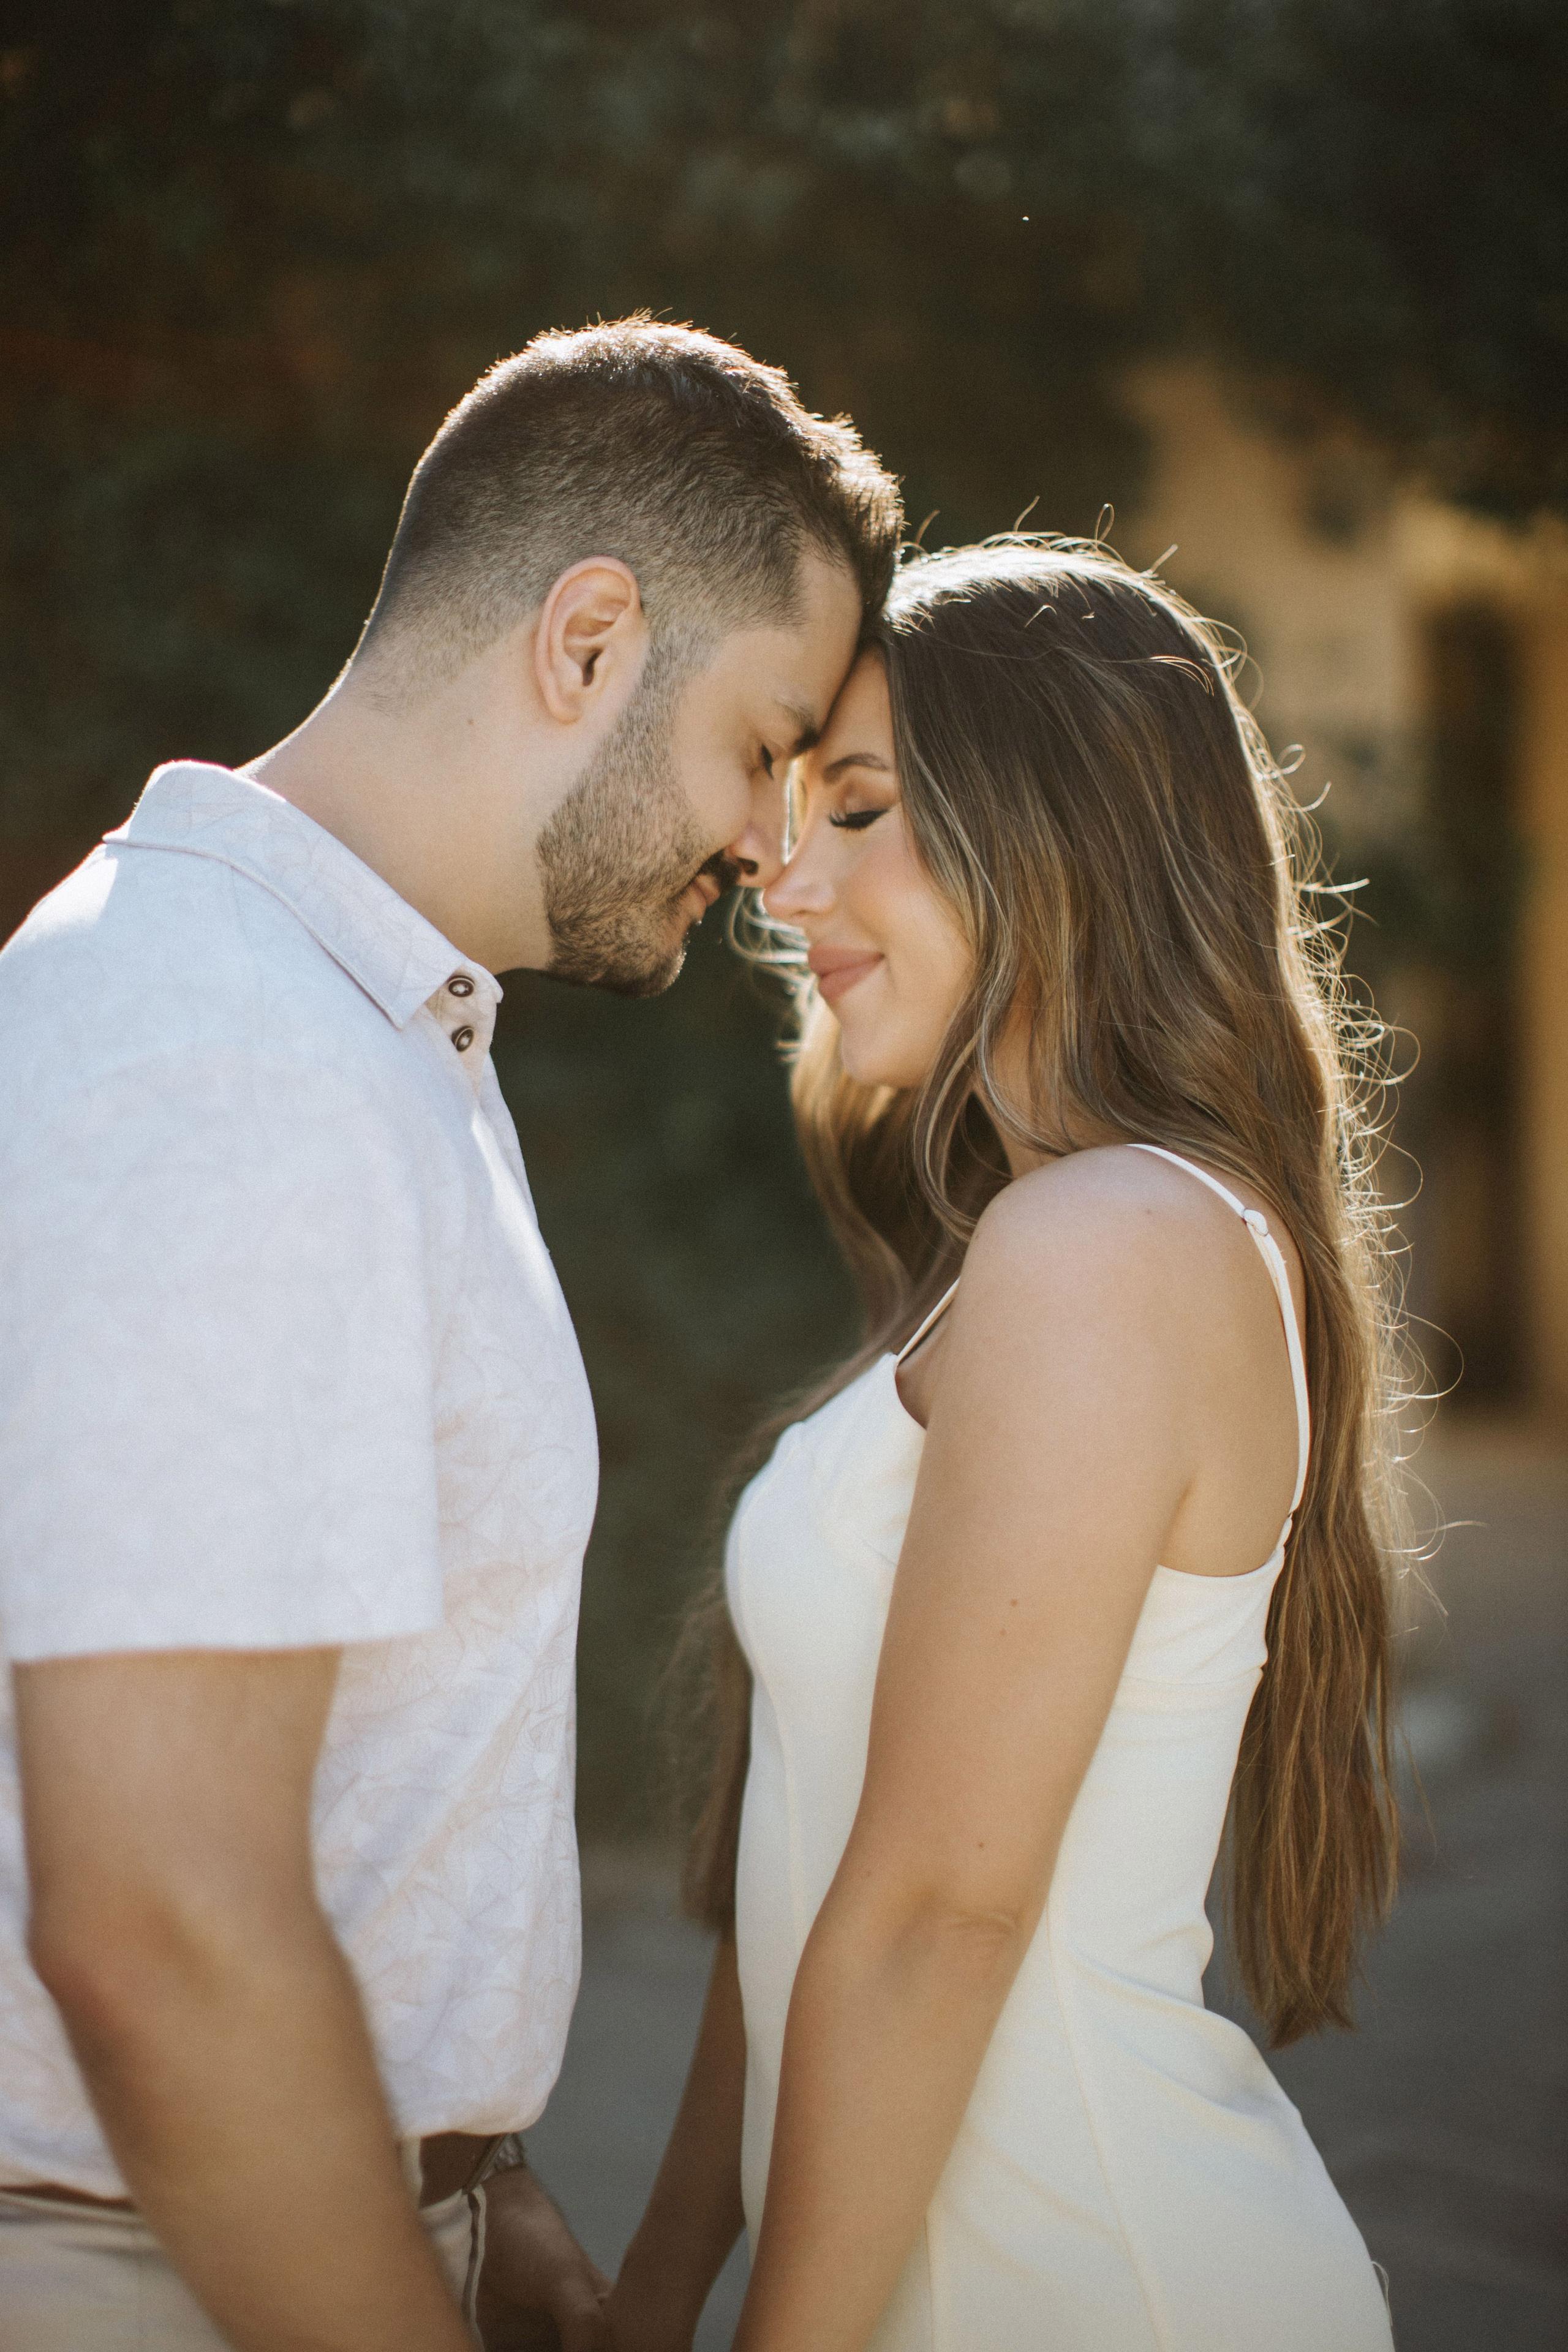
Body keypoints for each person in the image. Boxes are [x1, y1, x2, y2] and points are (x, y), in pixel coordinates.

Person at [0, 317, 901, 2350]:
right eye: (766, 742)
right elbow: (159, 1930)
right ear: (588, 642)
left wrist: (481, 2200)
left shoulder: (374, 1029)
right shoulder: (214, 1052)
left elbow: (361, 1807)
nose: (774, 849)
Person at [608, 540, 1403, 2352]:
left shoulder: (1106, 1246)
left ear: (1056, 829)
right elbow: (816, 1859)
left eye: (861, 810)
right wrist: (658, 2290)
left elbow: (938, 1916)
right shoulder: (1022, 1246)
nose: (780, 878)